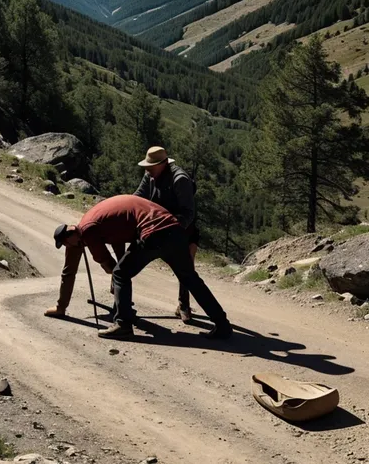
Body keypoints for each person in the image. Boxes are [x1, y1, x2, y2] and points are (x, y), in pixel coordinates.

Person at [51, 194, 232, 342]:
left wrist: (115, 275)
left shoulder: (87, 228)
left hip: (154, 232)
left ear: (70, 235)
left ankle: (123, 324)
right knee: (190, 279)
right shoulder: (97, 217)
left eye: (68, 245)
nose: (72, 248)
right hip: (174, 229)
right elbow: (118, 240)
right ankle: (222, 325)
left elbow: (106, 262)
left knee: (121, 274)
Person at [134, 146, 198, 324]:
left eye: (150, 166)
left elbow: (188, 213)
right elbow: (139, 197)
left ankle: (184, 305)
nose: (147, 170)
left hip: (183, 229)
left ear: (163, 164)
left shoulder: (180, 180)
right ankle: (121, 300)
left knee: (186, 267)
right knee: (130, 258)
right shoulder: (150, 175)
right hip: (156, 227)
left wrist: (173, 230)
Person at [44, 238, 125, 320]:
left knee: (119, 266)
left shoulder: (90, 234)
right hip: (82, 235)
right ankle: (61, 307)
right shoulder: (73, 239)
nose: (66, 246)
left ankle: (123, 304)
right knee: (69, 271)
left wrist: (116, 278)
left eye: (66, 244)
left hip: (112, 233)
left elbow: (106, 261)